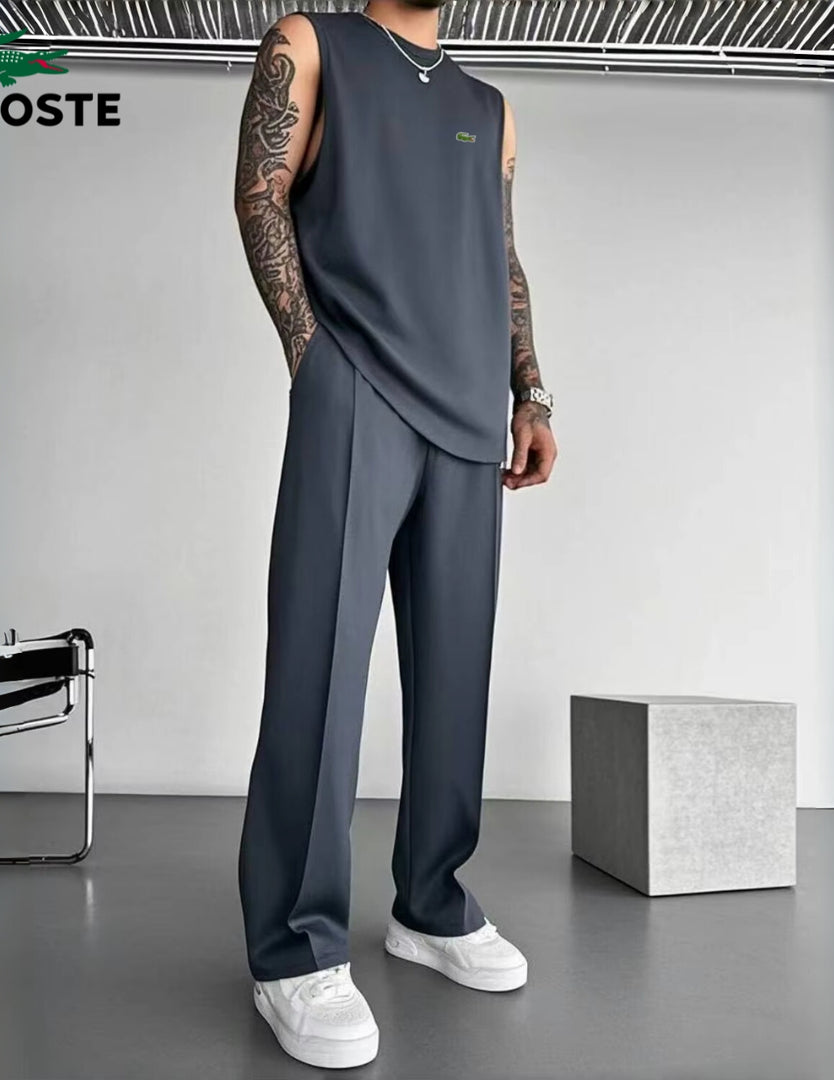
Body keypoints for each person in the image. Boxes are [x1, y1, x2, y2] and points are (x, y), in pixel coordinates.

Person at [233, 0, 557, 1068]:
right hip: (357, 388)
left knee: (455, 673)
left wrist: (530, 392)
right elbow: (261, 192)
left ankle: (432, 904)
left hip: (470, 414)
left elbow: (501, 255)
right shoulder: (310, 43)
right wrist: (311, 357)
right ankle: (295, 951)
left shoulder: (490, 106)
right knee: (320, 667)